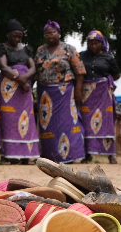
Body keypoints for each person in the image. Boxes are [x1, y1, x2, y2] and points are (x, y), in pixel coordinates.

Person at [34, 21, 86, 162]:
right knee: (47, 125)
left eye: (53, 32)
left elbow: (80, 72)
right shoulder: (40, 50)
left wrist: (78, 91)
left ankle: (70, 155)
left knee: (66, 123)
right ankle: (50, 156)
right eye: (47, 33)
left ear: (59, 33)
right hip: (45, 92)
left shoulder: (68, 49)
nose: (50, 36)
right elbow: (35, 70)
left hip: (65, 92)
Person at [0, 19, 39, 164]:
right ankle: (10, 155)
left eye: (19, 36)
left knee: (27, 119)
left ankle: (27, 156)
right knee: (9, 120)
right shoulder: (2, 48)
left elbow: (32, 67)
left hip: (24, 89)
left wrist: (25, 78)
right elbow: (3, 66)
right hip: (9, 89)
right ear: (8, 34)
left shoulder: (26, 49)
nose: (17, 39)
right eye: (14, 35)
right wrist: (19, 80)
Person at [80, 30, 121, 163]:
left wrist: (104, 81)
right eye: (91, 43)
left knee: (106, 122)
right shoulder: (81, 56)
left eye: (96, 43)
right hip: (86, 94)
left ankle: (111, 154)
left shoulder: (108, 57)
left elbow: (116, 75)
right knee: (86, 123)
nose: (93, 45)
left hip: (103, 94)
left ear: (101, 44)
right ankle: (88, 154)